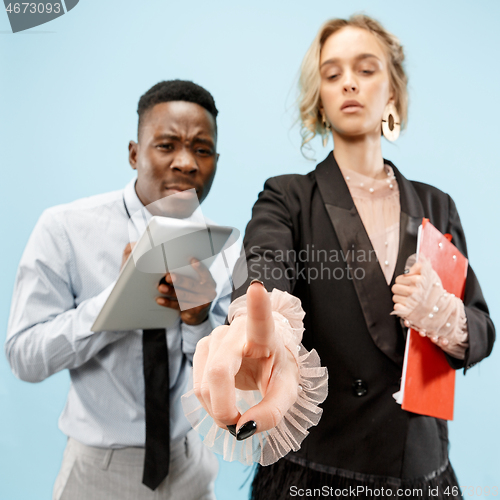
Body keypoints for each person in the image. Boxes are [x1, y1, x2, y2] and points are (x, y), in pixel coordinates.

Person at [189, 15, 495, 498]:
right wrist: (255, 327)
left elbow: (482, 331)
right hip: (318, 471)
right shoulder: (286, 198)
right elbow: (265, 269)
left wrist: (441, 313)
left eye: (366, 69)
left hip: (425, 472)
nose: (348, 81)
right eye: (332, 74)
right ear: (321, 103)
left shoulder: (438, 206)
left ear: (392, 93)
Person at [5, 79, 236, 500]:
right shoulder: (65, 229)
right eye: (167, 145)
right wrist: (121, 299)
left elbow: (225, 387)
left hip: (190, 468)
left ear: (216, 161)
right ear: (134, 153)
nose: (186, 162)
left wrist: (199, 322)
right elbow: (24, 358)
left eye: (202, 150)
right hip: (97, 473)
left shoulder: (221, 249)